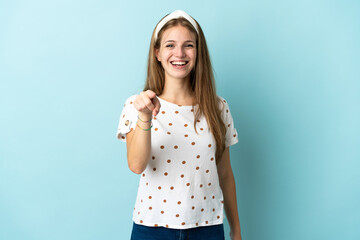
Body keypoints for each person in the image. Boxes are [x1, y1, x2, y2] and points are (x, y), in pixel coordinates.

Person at [116, 10, 242, 240]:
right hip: (151, 229)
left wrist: (236, 230)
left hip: (208, 228)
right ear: (157, 53)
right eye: (170, 45)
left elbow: (225, 174)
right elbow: (136, 165)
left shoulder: (218, 107)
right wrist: (145, 116)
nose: (179, 53)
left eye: (188, 45)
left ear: (198, 52)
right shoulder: (137, 105)